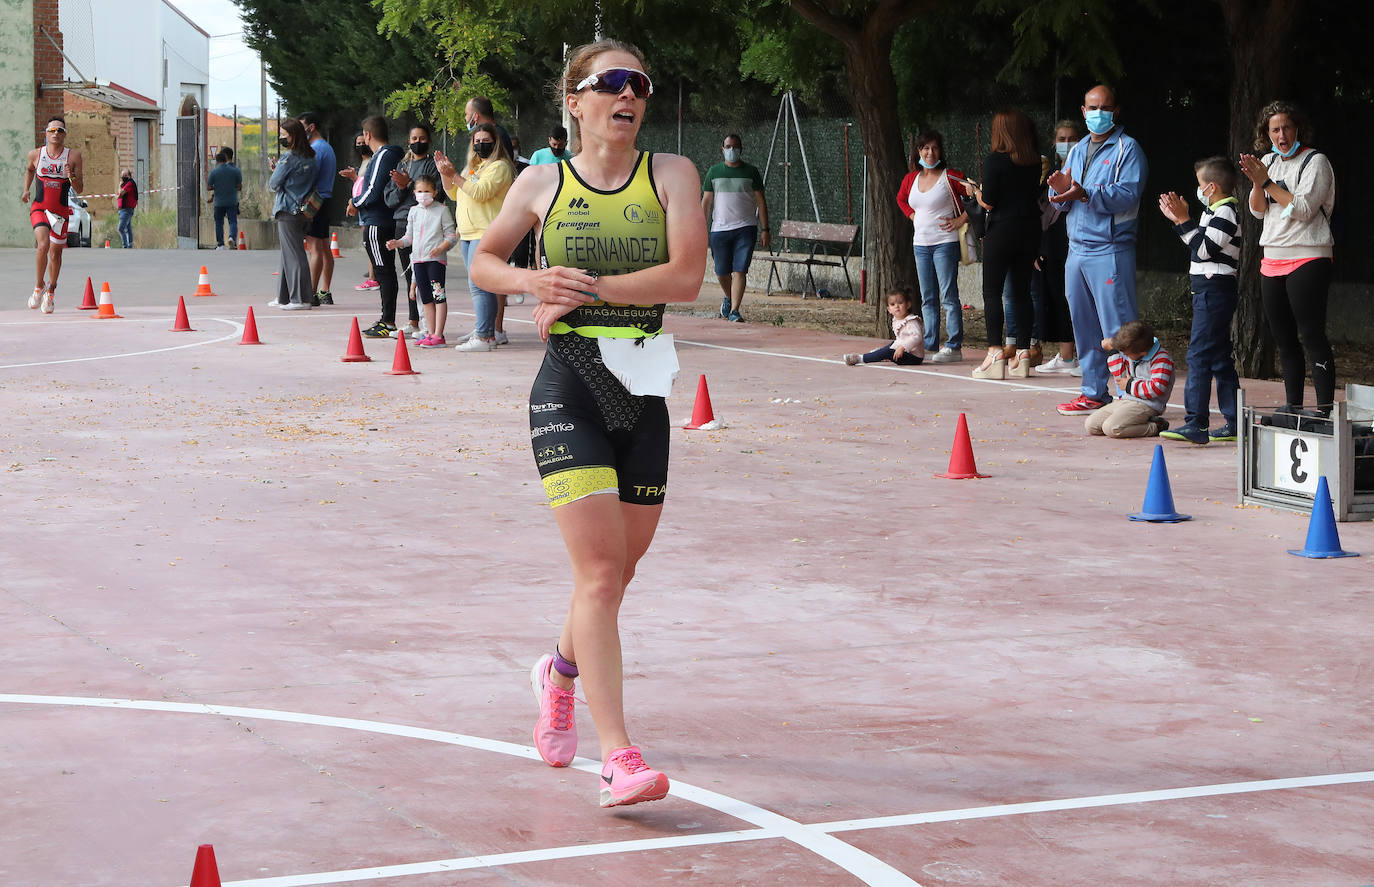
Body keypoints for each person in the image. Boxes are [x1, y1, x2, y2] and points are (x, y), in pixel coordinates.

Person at [468, 39, 707, 808]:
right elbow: (483, 262)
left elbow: (687, 276)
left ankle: (558, 671)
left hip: (643, 390)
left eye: (639, 81)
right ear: (575, 101)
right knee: (600, 576)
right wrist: (532, 278)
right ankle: (619, 756)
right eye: (611, 82)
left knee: (615, 578)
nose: (627, 94)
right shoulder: (543, 182)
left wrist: (588, 288)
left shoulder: (672, 175)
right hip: (569, 384)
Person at [1047, 84, 1148, 415]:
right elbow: (1065, 191)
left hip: (1110, 249)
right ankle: (1093, 392)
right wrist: (1059, 194)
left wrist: (1085, 193)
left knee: (1118, 327)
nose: (1098, 114)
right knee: (1083, 323)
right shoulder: (1076, 150)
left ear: (1115, 112)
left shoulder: (1127, 149)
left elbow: (1128, 194)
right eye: (1092, 108)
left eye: (1104, 108)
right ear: (1083, 111)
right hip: (1077, 249)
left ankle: (1131, 393)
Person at [1238, 101, 1337, 416]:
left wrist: (1266, 182)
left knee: (1311, 333)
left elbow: (1305, 211)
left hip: (1308, 255)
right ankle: (1292, 404)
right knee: (1283, 337)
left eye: (1287, 128)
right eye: (1275, 130)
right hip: (1272, 257)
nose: (1281, 135)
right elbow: (1258, 210)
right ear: (1266, 134)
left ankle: (1323, 409)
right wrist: (1258, 182)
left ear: (1299, 130)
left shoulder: (1315, 161)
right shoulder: (1268, 161)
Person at [1158, 157, 1242, 445]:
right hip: (1209, 289)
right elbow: (1198, 247)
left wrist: (1183, 220)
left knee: (1199, 355)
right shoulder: (1213, 211)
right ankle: (1234, 422)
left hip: (1214, 289)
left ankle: (1196, 423)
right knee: (1219, 358)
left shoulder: (1226, 212)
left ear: (1212, 187)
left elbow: (1203, 250)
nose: (1197, 190)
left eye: (1200, 185)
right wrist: (1180, 221)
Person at [970, 109, 1043, 380]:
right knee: (1022, 292)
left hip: (1002, 228)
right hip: (1029, 228)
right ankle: (1024, 350)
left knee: (992, 292)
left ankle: (994, 352)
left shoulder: (995, 160)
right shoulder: (1034, 161)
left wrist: (975, 192)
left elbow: (989, 201)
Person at [435, 123, 514, 352]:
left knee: (481, 286)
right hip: (468, 233)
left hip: (486, 232)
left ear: (495, 142)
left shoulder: (499, 167)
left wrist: (455, 176)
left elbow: (480, 193)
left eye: (485, 140)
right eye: (476, 141)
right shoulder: (475, 168)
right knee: (478, 286)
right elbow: (454, 193)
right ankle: (484, 329)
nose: (480, 144)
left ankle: (485, 336)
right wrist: (445, 175)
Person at [895, 131, 969, 362]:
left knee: (948, 296)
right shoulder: (911, 179)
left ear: (940, 151)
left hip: (945, 244)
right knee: (928, 297)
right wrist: (911, 216)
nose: (930, 153)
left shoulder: (952, 177)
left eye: (934, 148)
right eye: (925, 148)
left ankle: (954, 346)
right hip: (920, 245)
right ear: (918, 151)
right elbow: (901, 199)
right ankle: (929, 345)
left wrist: (961, 220)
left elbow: (976, 195)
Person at [701, 133, 770, 322]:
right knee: (721, 272)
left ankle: (735, 311)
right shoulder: (713, 172)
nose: (732, 150)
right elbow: (706, 202)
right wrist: (699, 228)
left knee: (740, 269)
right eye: (728, 147)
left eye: (735, 147)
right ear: (722, 149)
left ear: (741, 149)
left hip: (745, 228)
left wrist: (765, 229)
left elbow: (761, 202)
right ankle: (729, 298)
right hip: (719, 229)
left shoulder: (751, 172)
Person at [1032, 121, 1082, 376]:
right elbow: (1041, 213)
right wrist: (1037, 248)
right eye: (1062, 138)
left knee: (1080, 302)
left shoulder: (1086, 171)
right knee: (1058, 301)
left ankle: (1087, 357)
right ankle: (1066, 356)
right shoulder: (1050, 174)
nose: (1067, 143)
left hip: (1078, 246)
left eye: (1072, 138)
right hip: (1051, 248)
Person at [386, 123, 444, 338]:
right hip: (403, 222)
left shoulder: (431, 166)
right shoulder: (402, 165)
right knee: (410, 275)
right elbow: (389, 198)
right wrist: (401, 187)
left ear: (428, 140)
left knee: (425, 278)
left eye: (421, 138)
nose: (417, 142)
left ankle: (430, 325)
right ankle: (414, 321)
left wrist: (410, 185)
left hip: (426, 227)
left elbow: (433, 195)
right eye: (413, 139)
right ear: (407, 141)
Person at [387, 175, 457, 347]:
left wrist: (441, 248)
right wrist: (398, 243)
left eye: (427, 191)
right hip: (418, 261)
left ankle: (439, 334)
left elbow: (451, 235)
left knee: (438, 296)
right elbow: (409, 237)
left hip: (436, 261)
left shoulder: (442, 210)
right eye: (420, 191)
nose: (423, 194)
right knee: (425, 298)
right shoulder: (413, 211)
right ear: (414, 193)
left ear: (435, 192)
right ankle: (430, 333)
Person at [22, 116, 83, 313]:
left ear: (65, 135)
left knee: (56, 254)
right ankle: (38, 287)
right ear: (46, 133)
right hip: (40, 207)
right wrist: (26, 190)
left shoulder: (73, 156)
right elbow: (29, 170)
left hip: (61, 212)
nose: (56, 133)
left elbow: (80, 189)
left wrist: (70, 176)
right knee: (43, 245)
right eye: (52, 130)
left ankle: (51, 291)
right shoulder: (36, 154)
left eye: (60, 130)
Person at [352, 116, 403, 337]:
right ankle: (395, 319)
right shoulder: (391, 154)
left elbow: (373, 190)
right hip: (386, 220)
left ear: (368, 135)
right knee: (386, 271)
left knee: (383, 272)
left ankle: (387, 321)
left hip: (378, 221)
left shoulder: (383, 155)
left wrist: (355, 203)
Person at [1085, 320, 1174, 439]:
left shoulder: (1162, 359)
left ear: (1143, 352)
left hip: (1147, 405)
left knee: (1111, 428)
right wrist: (1113, 352)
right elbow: (1120, 375)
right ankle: (1133, 421)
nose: (1125, 356)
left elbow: (1157, 388)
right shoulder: (1134, 354)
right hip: (1127, 400)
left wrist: (1129, 385)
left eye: (1126, 354)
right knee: (1091, 425)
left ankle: (1155, 426)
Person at [267, 118, 318, 310]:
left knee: (294, 254)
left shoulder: (288, 158)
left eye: (283, 135)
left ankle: (301, 298)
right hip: (304, 209)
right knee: (288, 253)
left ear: (293, 136)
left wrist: (277, 169)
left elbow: (273, 184)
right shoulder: (311, 157)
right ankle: (283, 297)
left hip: (287, 209)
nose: (281, 138)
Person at [298, 112, 337, 305]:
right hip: (326, 199)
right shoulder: (326, 148)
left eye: (301, 126)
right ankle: (324, 290)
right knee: (323, 247)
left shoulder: (316, 149)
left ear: (311, 127)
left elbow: (308, 176)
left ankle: (311, 293)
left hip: (315, 200)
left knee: (314, 248)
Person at [843, 287, 924, 366]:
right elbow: (900, 339)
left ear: (908, 305)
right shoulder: (897, 320)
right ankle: (879, 354)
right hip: (904, 351)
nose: (896, 306)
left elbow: (917, 337)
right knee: (891, 345)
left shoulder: (911, 321)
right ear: (889, 309)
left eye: (900, 303)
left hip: (914, 357)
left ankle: (861, 358)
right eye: (893, 304)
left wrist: (903, 347)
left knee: (888, 352)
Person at [341, 133, 379, 291]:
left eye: (363, 142)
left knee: (371, 243)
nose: (361, 145)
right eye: (358, 143)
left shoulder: (373, 162)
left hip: (367, 208)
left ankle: (373, 277)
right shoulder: (362, 162)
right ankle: (372, 274)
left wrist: (355, 177)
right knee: (368, 243)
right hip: (361, 208)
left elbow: (368, 186)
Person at [206, 148, 242, 250]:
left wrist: (217, 187)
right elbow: (239, 187)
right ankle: (231, 237)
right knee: (233, 221)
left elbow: (208, 187)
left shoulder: (214, 172)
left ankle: (220, 244)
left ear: (217, 161)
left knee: (218, 222)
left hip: (219, 202)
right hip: (232, 201)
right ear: (226, 159)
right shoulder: (235, 171)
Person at [115, 168, 137, 250]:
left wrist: (120, 186)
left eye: (125, 175)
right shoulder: (125, 185)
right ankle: (130, 245)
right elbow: (119, 194)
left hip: (126, 210)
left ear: (130, 176)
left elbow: (120, 194)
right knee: (128, 228)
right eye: (122, 176)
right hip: (122, 209)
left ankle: (125, 246)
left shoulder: (130, 183)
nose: (123, 177)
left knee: (121, 228)